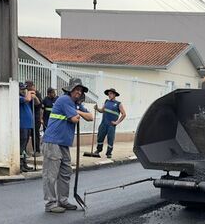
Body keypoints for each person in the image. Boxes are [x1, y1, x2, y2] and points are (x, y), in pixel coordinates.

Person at [41, 78, 94, 213]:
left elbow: (90, 117)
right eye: (76, 89)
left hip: (63, 143)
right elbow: (74, 119)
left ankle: (63, 200)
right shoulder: (65, 100)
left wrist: (79, 111)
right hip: (53, 141)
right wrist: (78, 113)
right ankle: (50, 204)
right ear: (70, 89)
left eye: (80, 91)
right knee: (51, 175)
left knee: (65, 172)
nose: (78, 92)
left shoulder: (75, 104)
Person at [93, 88, 127, 158]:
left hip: (111, 125)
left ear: (114, 95)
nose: (109, 95)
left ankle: (109, 153)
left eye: (111, 93)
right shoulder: (106, 102)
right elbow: (102, 110)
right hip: (103, 123)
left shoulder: (118, 104)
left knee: (110, 139)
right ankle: (98, 150)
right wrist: (97, 108)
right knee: (100, 137)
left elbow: (124, 114)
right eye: (108, 94)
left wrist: (117, 122)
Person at [18, 82, 36, 171]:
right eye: (21, 89)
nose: (23, 91)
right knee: (21, 146)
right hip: (22, 125)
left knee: (24, 147)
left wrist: (34, 95)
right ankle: (20, 164)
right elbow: (28, 99)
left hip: (28, 125)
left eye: (24, 89)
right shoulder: (18, 98)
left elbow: (37, 102)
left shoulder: (25, 97)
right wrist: (29, 92)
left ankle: (24, 163)